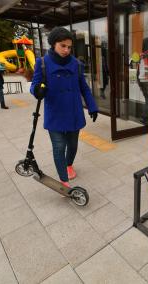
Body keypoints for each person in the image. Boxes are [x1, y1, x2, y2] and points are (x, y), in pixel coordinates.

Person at [30, 27, 99, 188]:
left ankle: (69, 165)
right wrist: (37, 90)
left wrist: (92, 106)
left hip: (74, 113)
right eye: (63, 46)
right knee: (59, 146)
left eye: (69, 47)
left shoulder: (76, 64)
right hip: (55, 113)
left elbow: (84, 88)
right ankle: (63, 181)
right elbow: (34, 85)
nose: (66, 50)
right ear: (53, 44)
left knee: (73, 145)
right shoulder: (42, 63)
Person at [137, 37, 148, 125]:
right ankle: (145, 117)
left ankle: (147, 116)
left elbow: (138, 69)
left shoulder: (141, 55)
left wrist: (138, 81)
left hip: (142, 80)